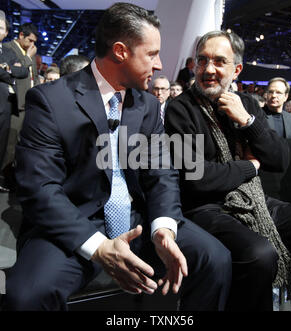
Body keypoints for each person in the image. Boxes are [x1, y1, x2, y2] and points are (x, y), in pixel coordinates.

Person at [3, 3, 231, 311]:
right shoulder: (50, 101)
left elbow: (161, 173)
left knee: (214, 258)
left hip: (140, 223)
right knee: (27, 296)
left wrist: (163, 228)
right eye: (152, 54)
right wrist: (98, 247)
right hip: (78, 223)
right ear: (121, 51)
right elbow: (40, 188)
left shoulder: (147, 106)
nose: (160, 64)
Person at [165, 30, 291, 311]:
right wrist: (249, 166)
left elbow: (278, 160)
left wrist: (249, 121)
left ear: (236, 69)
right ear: (194, 65)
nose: (208, 69)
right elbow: (197, 177)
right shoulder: (180, 109)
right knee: (260, 254)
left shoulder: (248, 104)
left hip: (253, 201)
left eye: (219, 61)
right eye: (202, 61)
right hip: (204, 207)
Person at [0, 14, 28, 192]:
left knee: (2, 144)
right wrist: (10, 72)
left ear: (6, 32)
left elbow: (23, 71)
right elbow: (14, 72)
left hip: (6, 106)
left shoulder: (8, 52)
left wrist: (7, 69)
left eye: (1, 28)